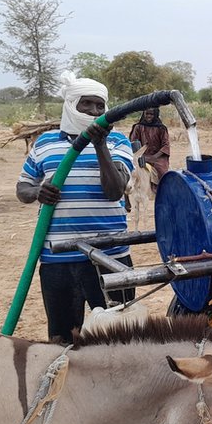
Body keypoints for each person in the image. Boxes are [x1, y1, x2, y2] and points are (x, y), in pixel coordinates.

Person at [16, 71, 135, 343]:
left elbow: (114, 191)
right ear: (70, 104)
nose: (94, 111)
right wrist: (37, 192)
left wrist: (100, 145)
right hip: (58, 260)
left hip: (110, 256)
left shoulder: (117, 142)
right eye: (86, 104)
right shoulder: (45, 143)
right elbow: (22, 187)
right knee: (63, 340)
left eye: (100, 105)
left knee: (118, 340)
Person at [128, 107, 171, 188]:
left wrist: (153, 157)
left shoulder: (161, 128)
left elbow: (166, 145)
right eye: (147, 113)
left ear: (155, 115)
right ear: (143, 114)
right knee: (129, 169)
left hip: (158, 157)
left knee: (161, 171)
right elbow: (133, 143)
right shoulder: (138, 127)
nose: (148, 116)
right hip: (141, 155)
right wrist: (139, 156)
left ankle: (162, 190)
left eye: (151, 114)